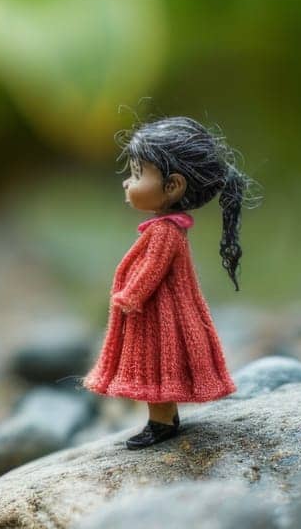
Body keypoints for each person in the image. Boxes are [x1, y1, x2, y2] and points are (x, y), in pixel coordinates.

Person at [83, 115, 260, 449]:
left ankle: (162, 422)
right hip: (156, 313)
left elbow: (153, 268)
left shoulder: (165, 232)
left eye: (137, 174)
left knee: (157, 368)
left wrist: (130, 296)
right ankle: (163, 419)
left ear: (173, 186)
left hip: (159, 317)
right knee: (156, 368)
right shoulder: (165, 228)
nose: (126, 182)